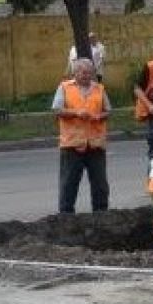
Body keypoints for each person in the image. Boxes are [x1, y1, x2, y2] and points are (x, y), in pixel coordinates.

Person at [53, 58, 112, 214]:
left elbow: (108, 110)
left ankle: (101, 215)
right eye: (83, 72)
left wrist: (100, 116)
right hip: (72, 144)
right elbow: (57, 110)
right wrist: (76, 112)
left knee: (100, 184)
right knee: (68, 184)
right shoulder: (64, 87)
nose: (87, 75)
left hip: (95, 144)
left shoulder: (99, 89)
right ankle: (66, 216)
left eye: (90, 72)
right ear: (75, 72)